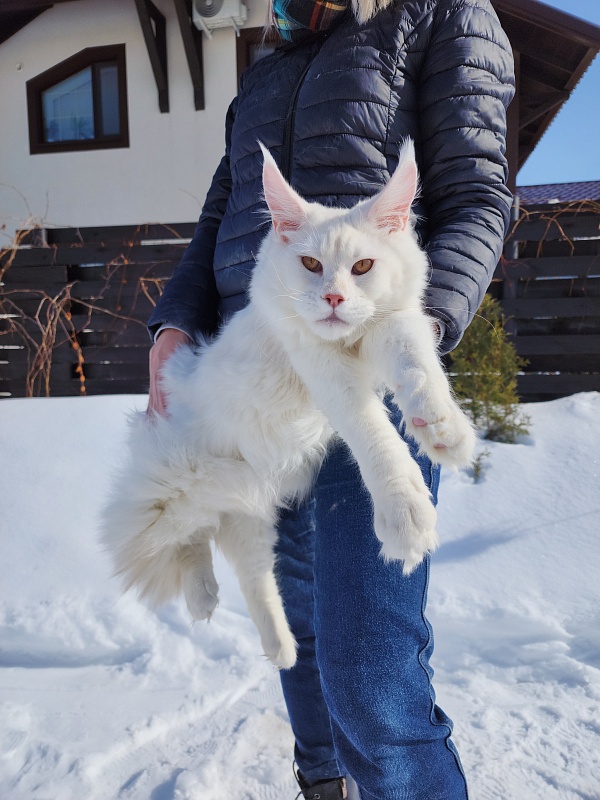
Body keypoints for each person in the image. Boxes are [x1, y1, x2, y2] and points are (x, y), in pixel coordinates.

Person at [147, 0, 515, 797]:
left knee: (368, 665)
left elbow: (479, 196)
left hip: (368, 375)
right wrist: (173, 326)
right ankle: (323, 782)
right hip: (255, 388)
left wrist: (413, 339)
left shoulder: (444, 14)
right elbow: (222, 220)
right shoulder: (267, 63)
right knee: (302, 624)